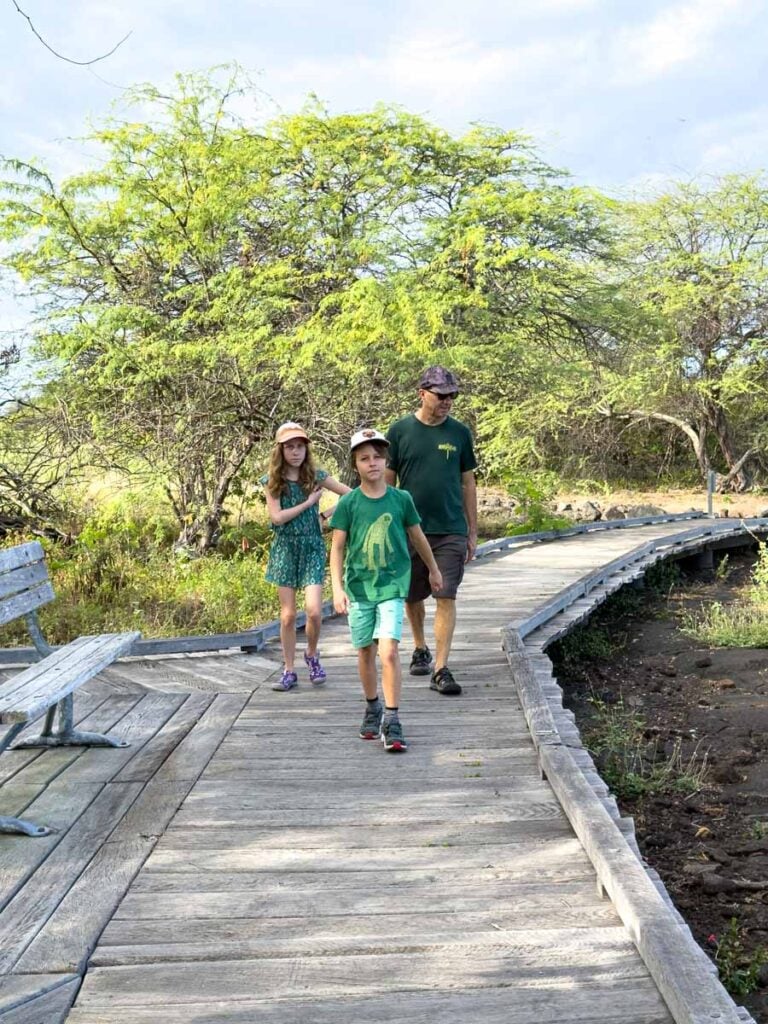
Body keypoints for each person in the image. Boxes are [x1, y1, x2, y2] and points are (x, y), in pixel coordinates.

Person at [330, 429, 443, 752]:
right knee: (365, 650)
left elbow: (418, 536)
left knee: (389, 650)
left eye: (378, 457)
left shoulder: (401, 499)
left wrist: (433, 569)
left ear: (386, 460)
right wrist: (337, 588)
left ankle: (393, 719)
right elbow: (338, 549)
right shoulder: (349, 503)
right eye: (364, 458)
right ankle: (372, 706)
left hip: (393, 585)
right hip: (359, 587)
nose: (372, 463)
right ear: (356, 465)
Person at [385, 366, 477, 696]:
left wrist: (472, 530)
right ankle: (420, 647)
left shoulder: (460, 433)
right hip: (411, 529)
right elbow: (387, 482)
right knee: (412, 594)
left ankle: (440, 668)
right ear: (422, 393)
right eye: (441, 395)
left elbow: (468, 482)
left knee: (446, 594)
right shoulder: (399, 432)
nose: (448, 401)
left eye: (452, 396)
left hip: (450, 527)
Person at [263, 421, 350, 692]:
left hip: (312, 546)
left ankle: (311, 655)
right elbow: (277, 518)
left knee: (313, 611)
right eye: (290, 447)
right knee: (288, 615)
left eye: (300, 446)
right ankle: (289, 670)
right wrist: (310, 504)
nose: (296, 452)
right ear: (280, 450)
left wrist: (325, 514)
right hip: (285, 549)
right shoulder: (273, 481)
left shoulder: (316, 476)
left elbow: (352, 494)